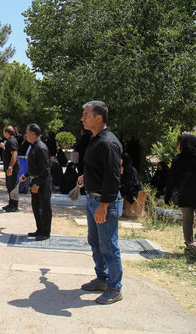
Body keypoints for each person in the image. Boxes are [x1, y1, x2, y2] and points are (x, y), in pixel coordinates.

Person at [77, 100, 124, 305]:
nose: (82, 118)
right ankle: (102, 279)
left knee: (109, 246)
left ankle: (115, 288)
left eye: (86, 114)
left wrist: (104, 205)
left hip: (103, 202)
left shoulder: (108, 142)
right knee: (95, 242)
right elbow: (100, 169)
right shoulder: (95, 139)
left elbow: (113, 176)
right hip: (91, 198)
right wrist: (86, 177)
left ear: (99, 117)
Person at [165, 134, 196, 262]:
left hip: (184, 195)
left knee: (187, 221)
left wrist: (167, 194)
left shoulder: (177, 160)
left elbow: (171, 179)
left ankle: (188, 247)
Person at [20, 124, 52, 240]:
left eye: (27, 133)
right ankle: (39, 229)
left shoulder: (41, 148)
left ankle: (45, 232)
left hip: (42, 181)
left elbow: (45, 169)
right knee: (36, 206)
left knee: (45, 207)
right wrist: (26, 175)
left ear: (33, 134)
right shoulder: (33, 146)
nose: (25, 135)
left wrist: (38, 184)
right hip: (35, 180)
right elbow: (35, 166)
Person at [0, 126, 20, 212]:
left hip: (12, 168)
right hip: (8, 167)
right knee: (9, 186)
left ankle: (14, 205)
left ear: (7, 132)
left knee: (13, 186)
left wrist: (10, 167)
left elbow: (14, 154)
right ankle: (11, 203)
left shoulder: (12, 141)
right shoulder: (9, 141)